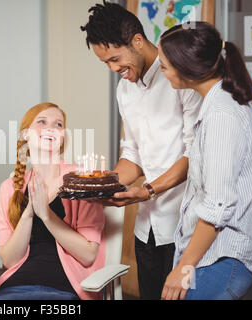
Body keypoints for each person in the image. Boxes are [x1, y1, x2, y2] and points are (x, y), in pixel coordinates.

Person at [80, 1, 202, 299]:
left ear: (137, 41)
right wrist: (105, 186)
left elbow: (195, 152)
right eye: (105, 63)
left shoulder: (180, 77)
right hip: (146, 226)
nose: (113, 69)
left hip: (184, 224)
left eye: (115, 59)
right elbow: (132, 153)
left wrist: (147, 190)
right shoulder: (125, 90)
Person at [158, 22, 252, 300]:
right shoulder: (220, 103)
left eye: (165, 65)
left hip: (223, 257)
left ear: (187, 67)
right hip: (212, 255)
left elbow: (218, 206)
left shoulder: (221, 115)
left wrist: (182, 268)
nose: (162, 71)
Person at [0, 102, 106, 300]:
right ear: (25, 135)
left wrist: (46, 215)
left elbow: (88, 254)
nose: (51, 128)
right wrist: (28, 214)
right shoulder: (9, 187)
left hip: (66, 288)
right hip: (17, 286)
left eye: (58, 125)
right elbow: (9, 260)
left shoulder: (81, 180)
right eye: (42, 122)